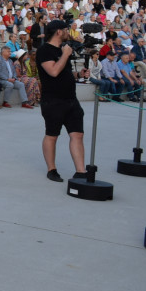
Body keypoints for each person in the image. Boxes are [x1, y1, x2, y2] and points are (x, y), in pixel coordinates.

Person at [36, 19, 87, 183]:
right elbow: (53, 72)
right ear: (58, 31)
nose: (68, 32)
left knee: (77, 134)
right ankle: (52, 169)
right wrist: (65, 54)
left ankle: (81, 171)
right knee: (52, 135)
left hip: (71, 99)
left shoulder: (63, 50)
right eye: (66, 29)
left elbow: (64, 72)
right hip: (53, 100)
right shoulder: (44, 51)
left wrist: (79, 75)